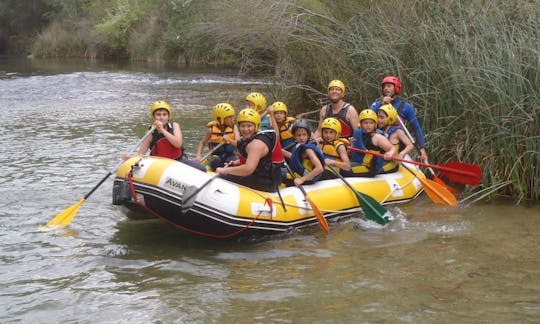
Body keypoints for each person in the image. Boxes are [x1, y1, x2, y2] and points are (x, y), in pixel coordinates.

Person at [122, 100, 206, 171]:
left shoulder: (175, 126)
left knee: (202, 169)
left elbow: (178, 144)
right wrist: (130, 157)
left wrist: (162, 130)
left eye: (164, 114)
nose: (161, 118)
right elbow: (141, 153)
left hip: (177, 161)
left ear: (168, 117)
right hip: (159, 165)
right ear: (154, 117)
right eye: (158, 115)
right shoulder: (151, 132)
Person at [216, 108, 284, 192]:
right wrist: (235, 163)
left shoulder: (256, 144)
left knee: (223, 177)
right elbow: (257, 158)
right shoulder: (251, 138)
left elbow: (248, 169)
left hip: (267, 182)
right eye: (243, 126)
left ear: (256, 126)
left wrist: (224, 170)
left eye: (249, 126)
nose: (245, 129)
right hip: (265, 176)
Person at [370, 75, 428, 162]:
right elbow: (368, 118)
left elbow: (416, 128)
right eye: (384, 86)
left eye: (389, 86)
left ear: (396, 88)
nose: (386, 88)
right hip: (379, 145)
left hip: (397, 146)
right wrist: (382, 103)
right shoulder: (377, 104)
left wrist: (422, 148)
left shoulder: (406, 107)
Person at [350, 109, 396, 176]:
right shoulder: (359, 134)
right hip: (361, 162)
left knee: (345, 169)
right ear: (361, 124)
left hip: (374, 166)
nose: (368, 125)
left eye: (371, 123)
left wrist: (390, 153)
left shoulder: (377, 137)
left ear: (375, 124)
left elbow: (393, 148)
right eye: (365, 123)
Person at [195, 103, 240, 170]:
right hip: (216, 156)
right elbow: (202, 143)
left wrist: (229, 140)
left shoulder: (233, 128)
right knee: (215, 161)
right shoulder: (211, 130)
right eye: (229, 117)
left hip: (230, 155)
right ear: (220, 118)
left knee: (233, 162)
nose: (232, 119)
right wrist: (198, 155)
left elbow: (239, 144)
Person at [284, 119, 325, 186]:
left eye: (304, 135)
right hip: (298, 173)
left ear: (308, 135)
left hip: (306, 178)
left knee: (277, 172)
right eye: (298, 135)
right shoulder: (299, 145)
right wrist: (282, 152)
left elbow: (319, 168)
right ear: (294, 136)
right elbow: (296, 158)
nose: (301, 138)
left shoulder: (308, 149)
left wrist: (302, 179)